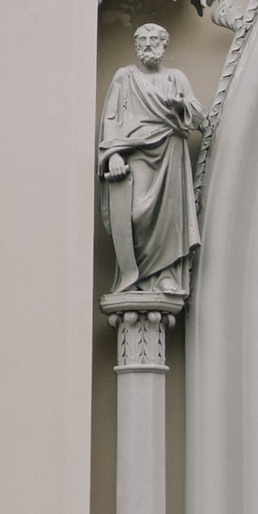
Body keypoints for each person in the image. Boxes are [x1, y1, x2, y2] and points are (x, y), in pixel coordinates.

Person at [99, 20, 206, 306]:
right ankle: (139, 276)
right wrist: (114, 155)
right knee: (136, 213)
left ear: (164, 46)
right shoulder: (125, 77)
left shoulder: (176, 78)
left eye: (153, 41)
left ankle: (165, 276)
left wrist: (180, 105)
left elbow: (199, 119)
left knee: (170, 217)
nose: (147, 46)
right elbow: (111, 119)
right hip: (136, 152)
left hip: (170, 151)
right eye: (142, 41)